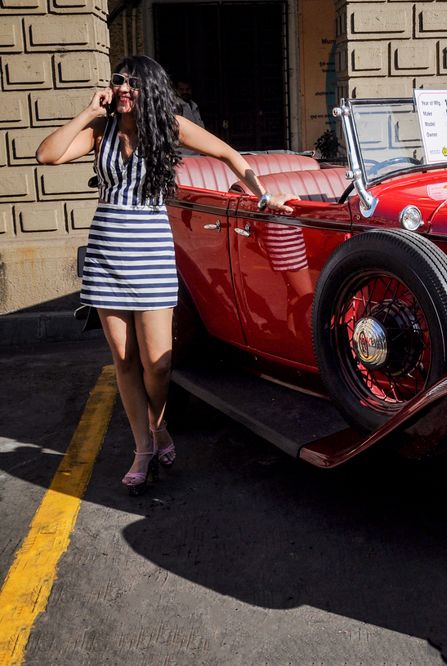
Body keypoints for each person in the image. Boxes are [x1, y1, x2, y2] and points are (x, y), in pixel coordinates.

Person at [35, 55, 296, 495]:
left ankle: (159, 428)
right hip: (106, 256)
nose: (122, 88)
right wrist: (88, 112)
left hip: (152, 255)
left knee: (159, 364)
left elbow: (229, 154)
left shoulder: (170, 127)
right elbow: (47, 155)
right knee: (124, 360)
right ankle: (142, 448)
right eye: (118, 81)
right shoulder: (101, 131)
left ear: (150, 89)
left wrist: (264, 196)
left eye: (132, 83)